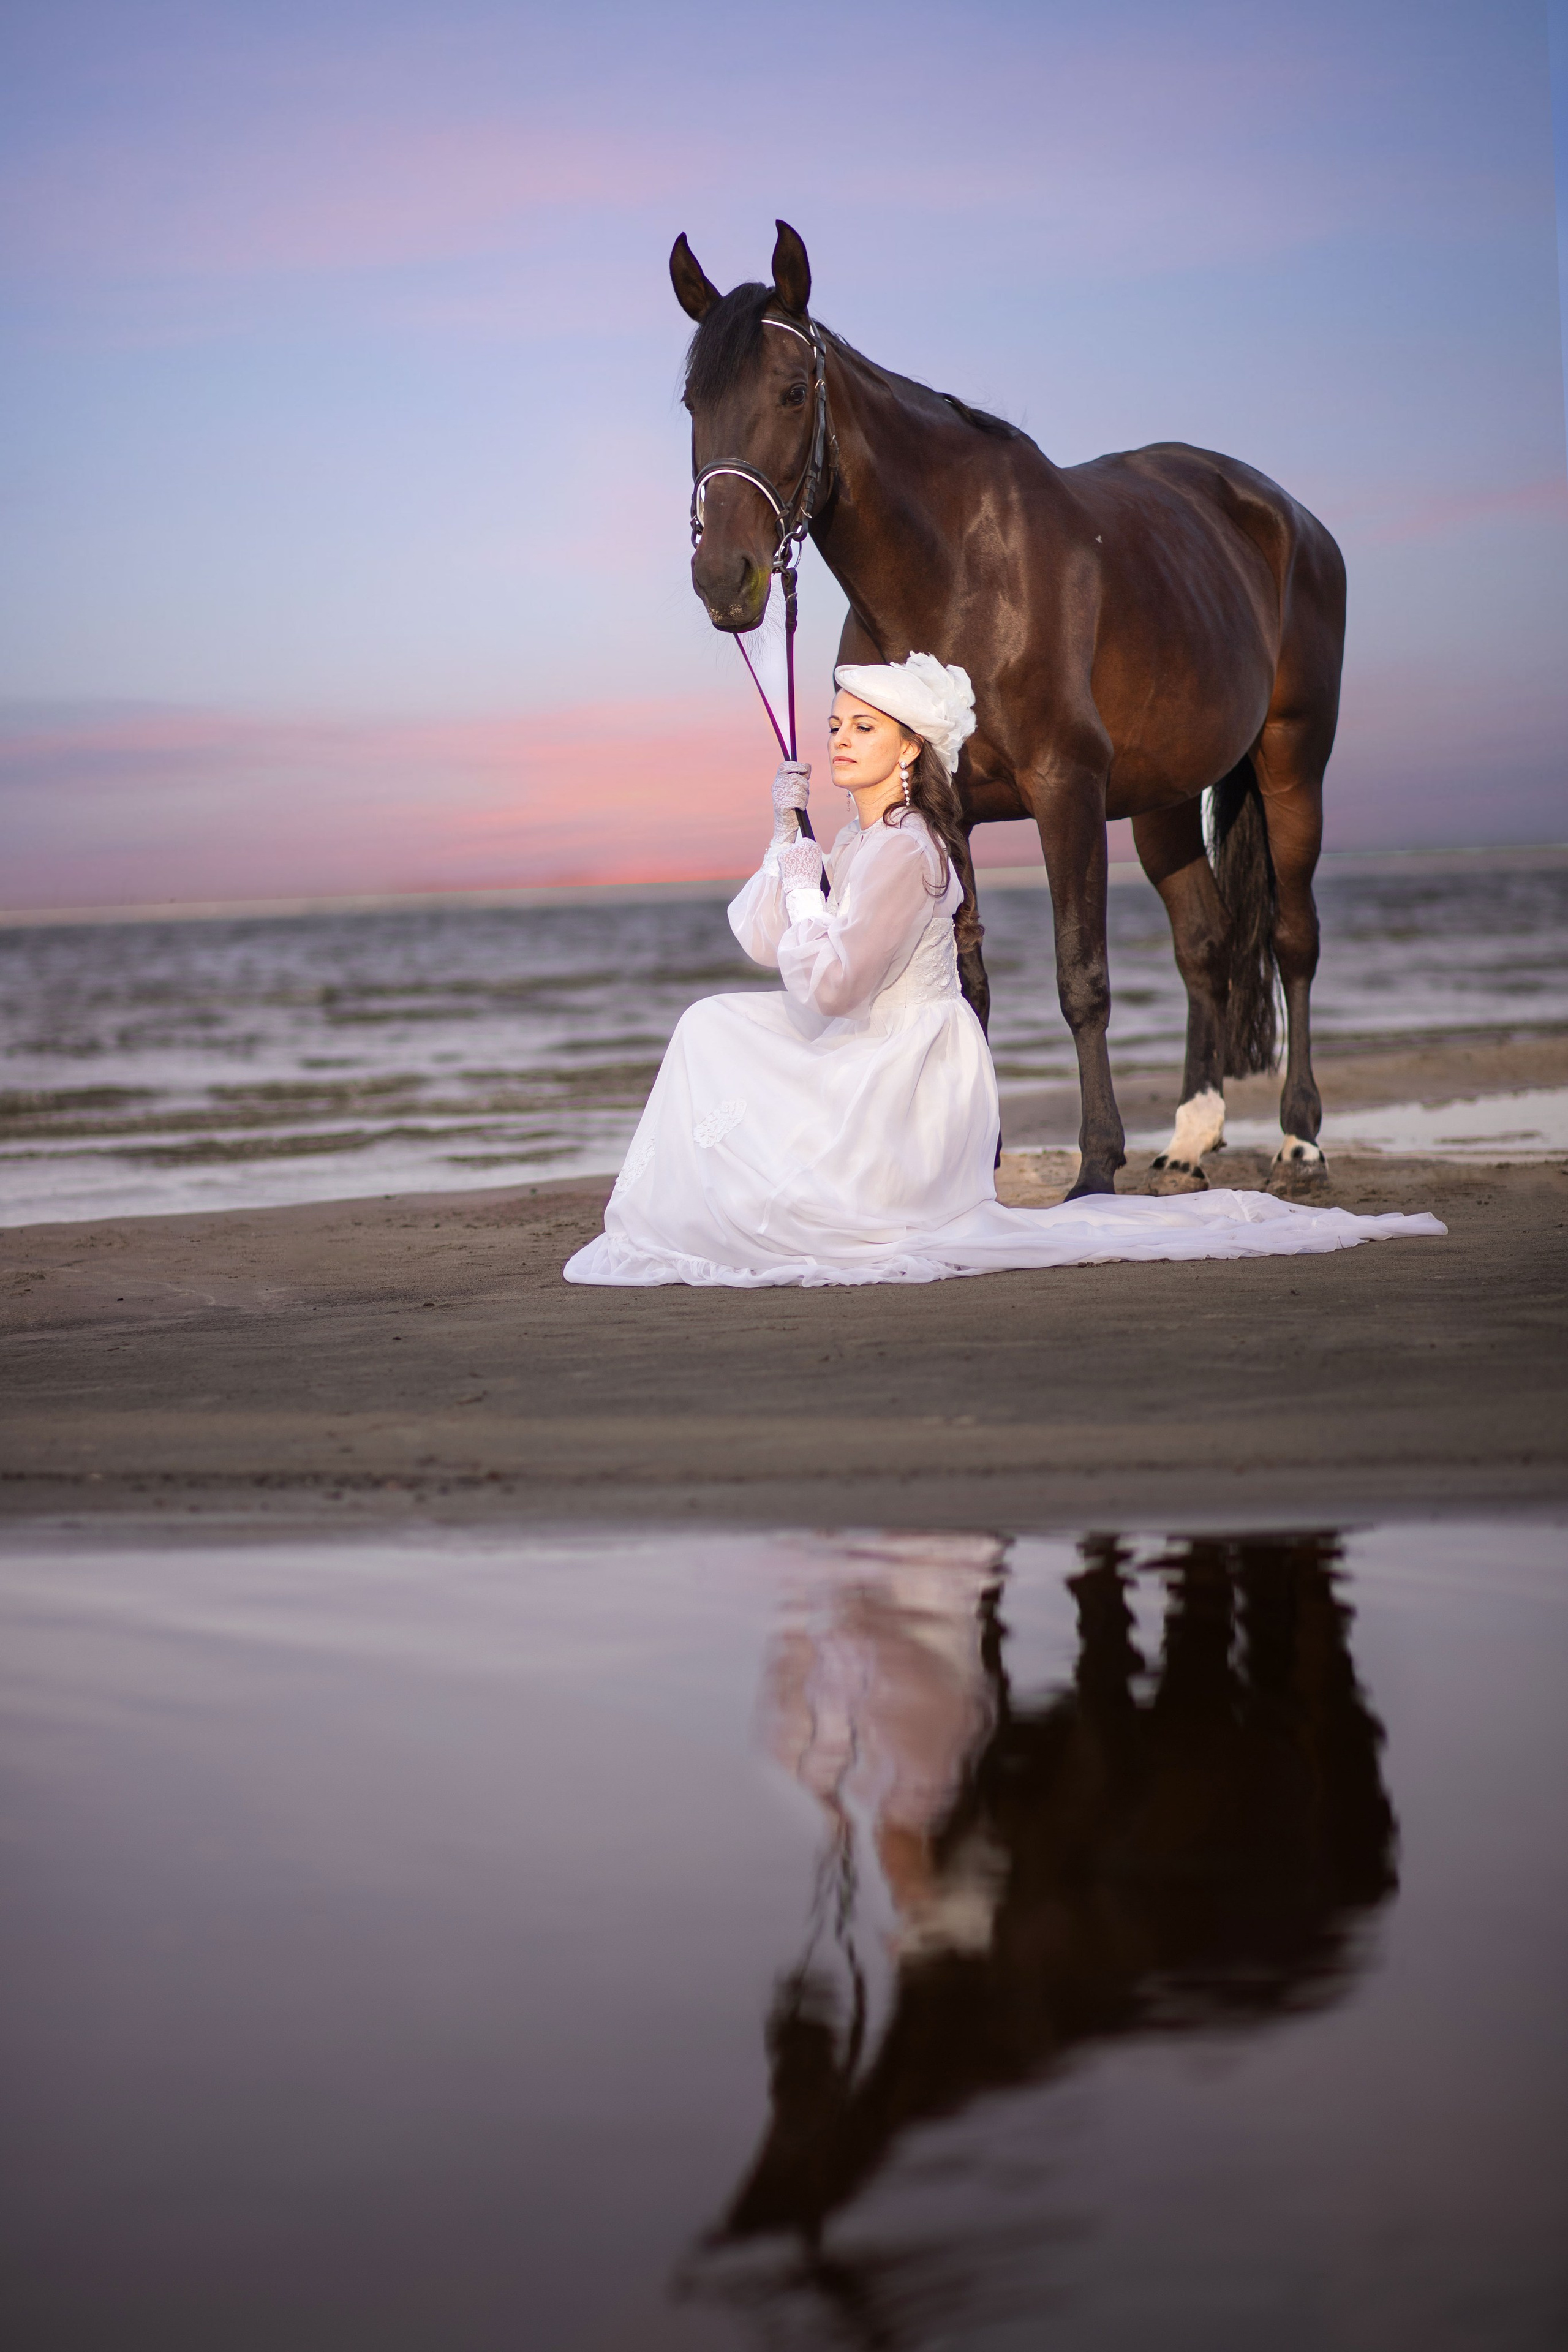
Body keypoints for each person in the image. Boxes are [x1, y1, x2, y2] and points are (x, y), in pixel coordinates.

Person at [563, 655, 1444, 1287]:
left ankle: (773, 1199)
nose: (838, 739)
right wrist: (786, 848)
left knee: (712, 1030)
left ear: (909, 752)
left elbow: (833, 986)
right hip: (872, 1047)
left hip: (905, 1075)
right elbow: (770, 944)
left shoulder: (906, 850)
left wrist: (804, 891)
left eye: (862, 728)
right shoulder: (859, 841)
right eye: (835, 725)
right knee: (714, 1023)